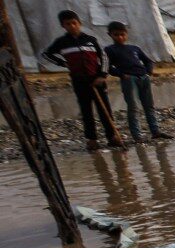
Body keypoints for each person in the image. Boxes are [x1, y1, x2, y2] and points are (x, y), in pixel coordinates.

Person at [40, 10, 123, 149]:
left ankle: (112, 136)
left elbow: (104, 58)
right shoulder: (62, 42)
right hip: (79, 81)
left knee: (104, 109)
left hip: (96, 79)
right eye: (68, 24)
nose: (72, 26)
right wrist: (63, 63)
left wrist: (102, 75)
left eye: (74, 23)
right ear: (63, 26)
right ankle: (91, 139)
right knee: (86, 110)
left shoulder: (90, 40)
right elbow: (46, 54)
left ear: (79, 23)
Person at [104, 21, 167, 143]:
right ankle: (137, 136)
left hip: (143, 77)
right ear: (110, 35)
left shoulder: (134, 48)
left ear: (126, 34)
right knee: (133, 107)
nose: (120, 37)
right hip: (129, 80)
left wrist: (148, 72)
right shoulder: (109, 50)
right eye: (116, 35)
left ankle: (155, 131)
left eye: (122, 34)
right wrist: (122, 75)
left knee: (149, 106)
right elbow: (108, 67)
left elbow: (148, 61)